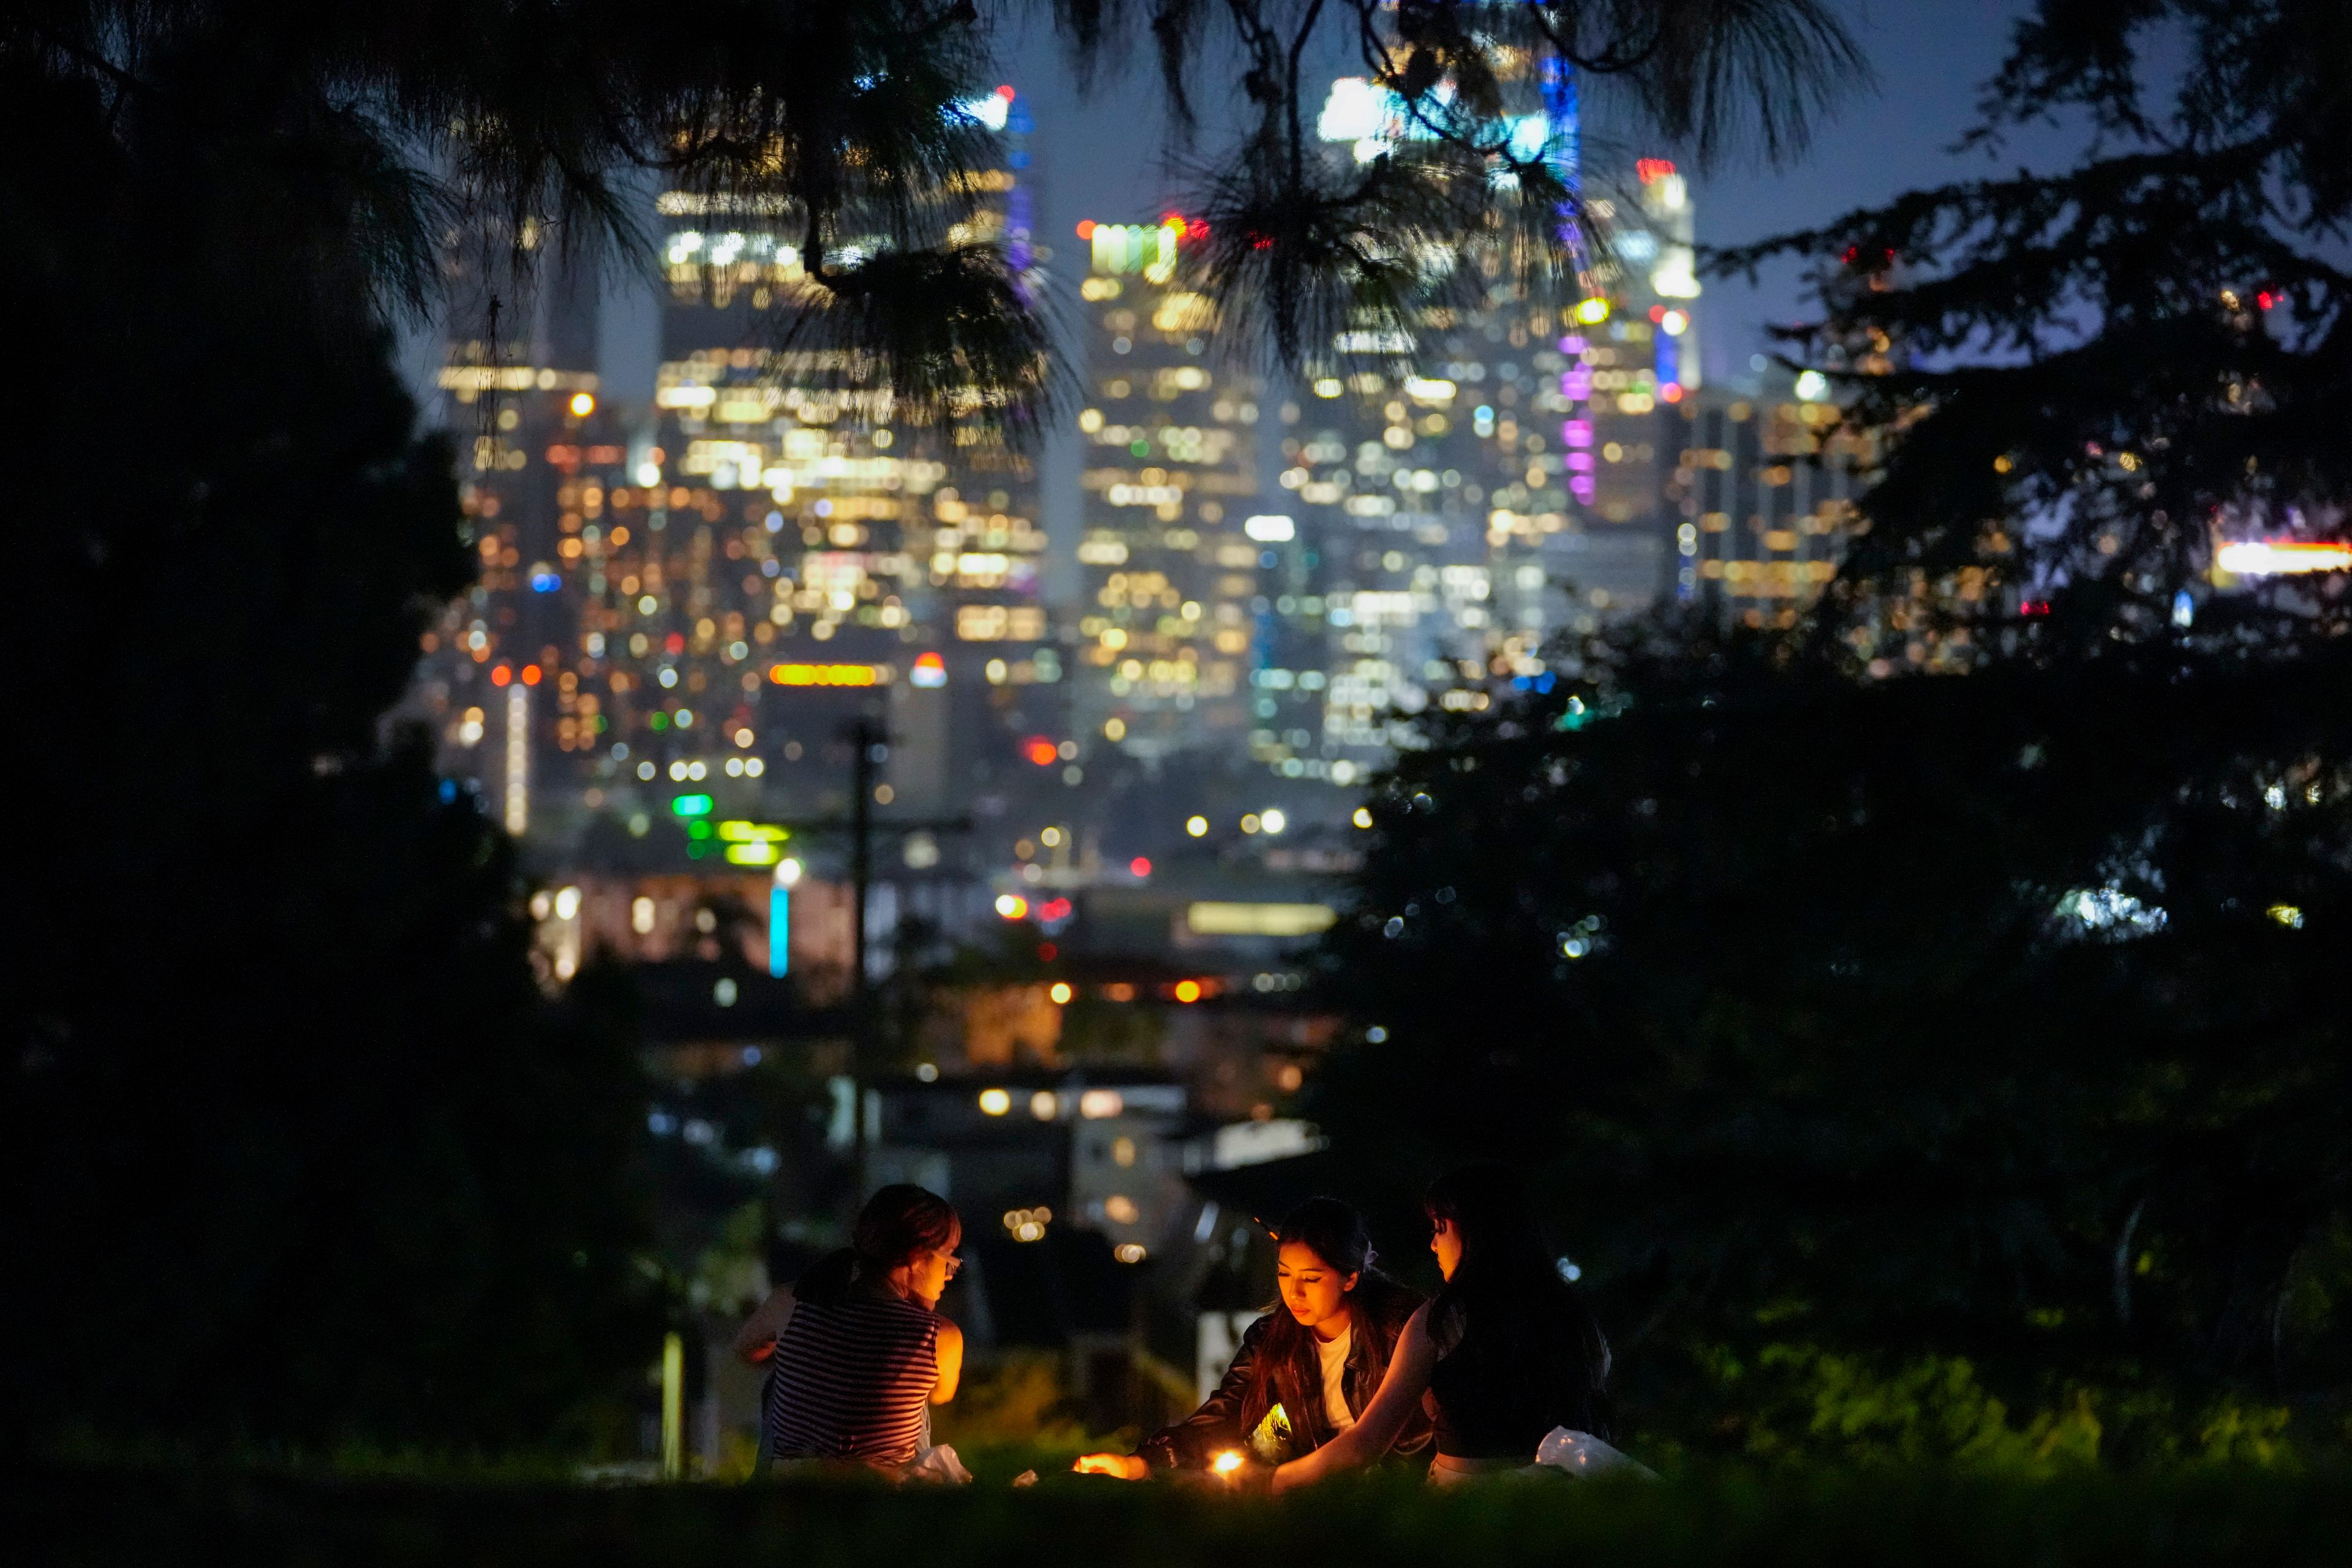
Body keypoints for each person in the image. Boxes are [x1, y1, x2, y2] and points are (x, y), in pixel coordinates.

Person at [1270, 1164, 1610, 1490]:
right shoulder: (1574, 1316)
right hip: (1565, 1503)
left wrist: (1275, 1480)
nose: (1433, 1245)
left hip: (1468, 1511)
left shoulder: (1443, 1320)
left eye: (1440, 1229)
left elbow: (1366, 1443)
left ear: (1476, 1232)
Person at [1072, 1196, 1431, 1477]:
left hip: (1396, 1494)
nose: (1295, 1293)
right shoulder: (1271, 1339)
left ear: (1350, 1278)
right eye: (1285, 1274)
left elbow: (1422, 1436)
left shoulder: (1401, 1329)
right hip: (1311, 1491)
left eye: (1312, 1278)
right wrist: (1142, 1463)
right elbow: (1226, 1413)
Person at [734, 1184, 967, 1476]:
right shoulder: (939, 1336)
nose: (948, 1277)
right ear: (917, 1257)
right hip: (880, 1497)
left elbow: (746, 1350)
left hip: (791, 1490)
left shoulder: (791, 1302)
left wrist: (812, 1363)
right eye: (949, 1262)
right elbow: (941, 1395)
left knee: (780, 1374)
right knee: (918, 1400)